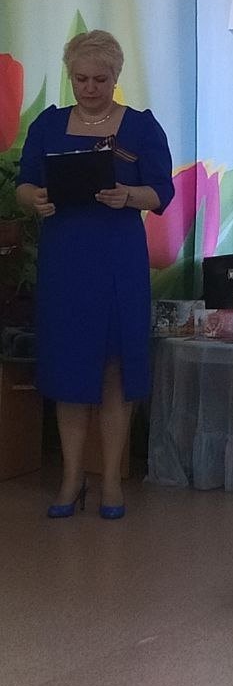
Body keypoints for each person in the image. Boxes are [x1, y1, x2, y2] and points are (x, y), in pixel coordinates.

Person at [16, 30, 174, 520]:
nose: (89, 88)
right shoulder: (48, 124)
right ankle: (70, 478)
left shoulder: (141, 128)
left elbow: (161, 192)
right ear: (70, 76)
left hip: (117, 259)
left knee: (113, 367)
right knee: (69, 366)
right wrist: (35, 199)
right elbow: (24, 183)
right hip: (66, 259)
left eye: (99, 80)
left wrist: (129, 196)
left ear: (116, 76)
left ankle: (109, 481)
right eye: (80, 79)